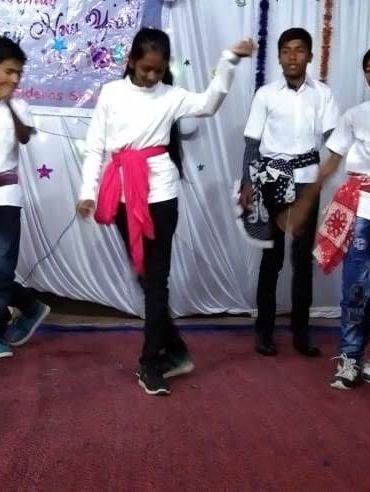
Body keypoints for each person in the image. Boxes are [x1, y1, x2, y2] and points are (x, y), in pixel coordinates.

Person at [77, 28, 254, 396]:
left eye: (158, 70)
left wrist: (229, 60)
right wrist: (87, 193)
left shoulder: (171, 96)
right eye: (145, 68)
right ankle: (175, 349)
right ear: (130, 61)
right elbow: (95, 148)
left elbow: (208, 104)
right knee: (146, 278)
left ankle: (150, 362)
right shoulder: (111, 93)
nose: (151, 76)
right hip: (122, 195)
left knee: (156, 280)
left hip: (161, 196)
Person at [239, 28, 339, 357]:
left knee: (302, 259)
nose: (292, 56)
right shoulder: (266, 94)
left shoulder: (322, 94)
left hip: (307, 179)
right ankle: (264, 331)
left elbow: (334, 138)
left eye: (298, 50)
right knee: (272, 257)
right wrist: (247, 181)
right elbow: (252, 142)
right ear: (279, 56)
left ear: (310, 56)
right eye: (286, 50)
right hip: (271, 178)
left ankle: (301, 333)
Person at [283, 49, 370, 389]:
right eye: (368, 68)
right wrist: (307, 199)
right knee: (356, 286)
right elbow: (332, 160)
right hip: (362, 209)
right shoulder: (355, 116)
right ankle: (350, 357)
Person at [0, 36, 50, 359]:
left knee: (2, 266)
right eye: (9, 71)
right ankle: (29, 304)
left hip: (5, 196)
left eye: (19, 73)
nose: (15, 79)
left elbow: (25, 137)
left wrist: (10, 106)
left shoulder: (20, 107)